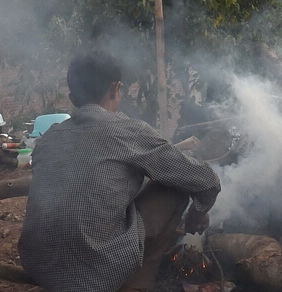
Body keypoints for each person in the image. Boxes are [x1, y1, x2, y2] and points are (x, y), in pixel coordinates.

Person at [19, 51, 221, 292]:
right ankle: (136, 285)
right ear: (116, 88)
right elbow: (206, 180)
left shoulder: (48, 138)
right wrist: (197, 215)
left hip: (39, 266)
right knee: (174, 186)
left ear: (72, 98)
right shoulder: (128, 131)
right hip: (99, 272)